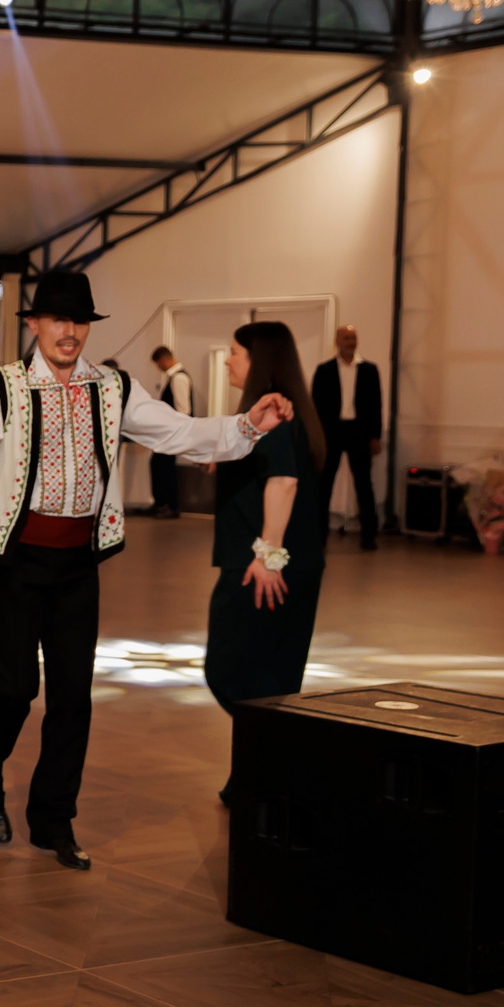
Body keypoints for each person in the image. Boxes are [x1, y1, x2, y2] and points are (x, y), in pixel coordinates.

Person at [0, 269, 289, 871]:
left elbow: (178, 433)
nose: (70, 332)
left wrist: (245, 428)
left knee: (72, 697)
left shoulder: (113, 387)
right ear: (34, 324)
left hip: (79, 561)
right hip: (13, 558)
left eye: (79, 320)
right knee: (14, 688)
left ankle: (53, 820)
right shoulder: (4, 386)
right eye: (58, 319)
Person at [206, 322, 328, 792]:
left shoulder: (275, 411)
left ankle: (279, 771)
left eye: (235, 352)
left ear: (259, 360)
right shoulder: (278, 412)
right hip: (294, 564)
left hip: (260, 566)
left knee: (231, 672)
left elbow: (284, 482)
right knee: (273, 682)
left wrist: (268, 556)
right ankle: (255, 782)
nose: (228, 360)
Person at [309, 324, 382, 550]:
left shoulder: (369, 370)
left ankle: (368, 538)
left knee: (364, 485)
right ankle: (318, 537)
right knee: (324, 485)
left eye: (353, 338)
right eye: (346, 338)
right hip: (332, 431)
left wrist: (375, 436)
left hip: (359, 431)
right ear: (337, 341)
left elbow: (376, 405)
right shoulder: (324, 370)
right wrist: (316, 437)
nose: (350, 342)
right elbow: (315, 406)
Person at [146, 345, 194, 518]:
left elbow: (183, 410)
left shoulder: (179, 378)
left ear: (163, 360)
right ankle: (160, 503)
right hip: (168, 431)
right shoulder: (173, 377)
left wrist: (175, 429)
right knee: (158, 465)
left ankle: (171, 505)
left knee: (165, 467)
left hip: (173, 432)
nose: (159, 367)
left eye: (158, 364)